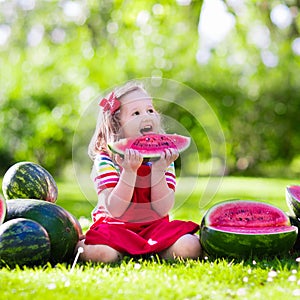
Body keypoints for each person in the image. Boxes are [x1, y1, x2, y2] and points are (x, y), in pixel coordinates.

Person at [76, 81, 201, 263]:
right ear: (117, 125)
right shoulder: (106, 160)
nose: (146, 117)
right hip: (115, 228)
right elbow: (115, 210)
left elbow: (163, 208)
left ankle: (157, 251)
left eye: (150, 110)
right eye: (136, 113)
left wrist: (158, 170)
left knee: (190, 246)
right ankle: (121, 252)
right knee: (103, 254)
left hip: (154, 227)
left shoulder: (163, 157)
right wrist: (128, 172)